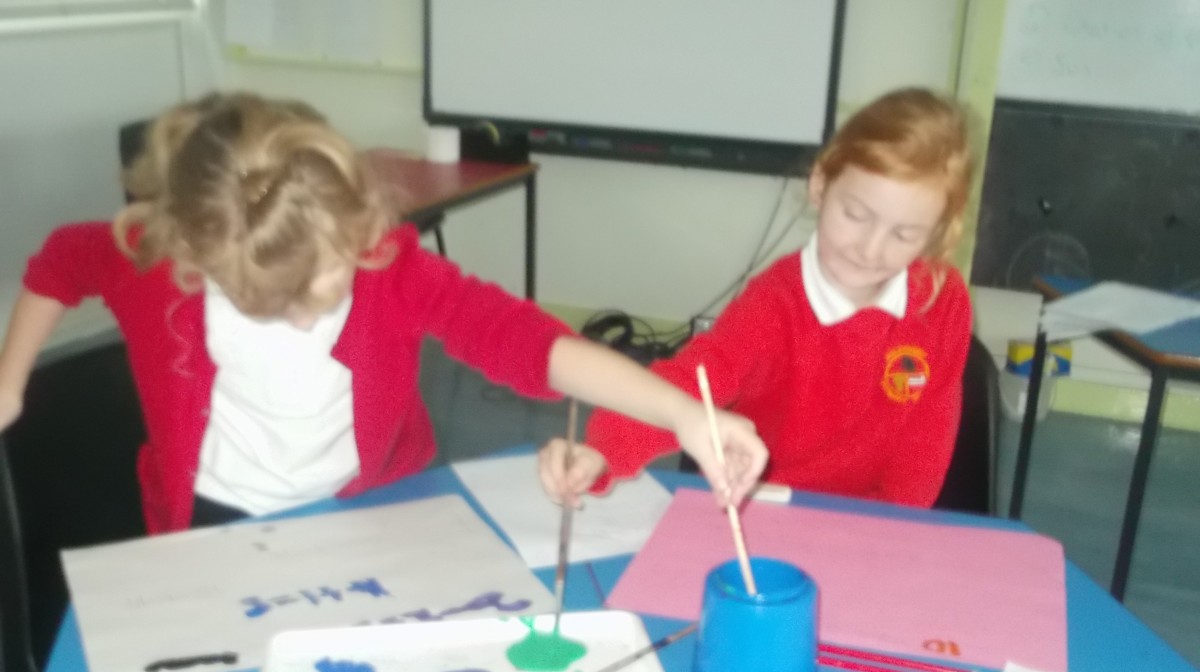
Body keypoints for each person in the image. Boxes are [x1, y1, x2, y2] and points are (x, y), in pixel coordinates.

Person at [0, 92, 766, 534]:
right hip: (213, 513)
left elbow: (527, 344)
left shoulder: (383, 262)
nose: (309, 321)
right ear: (198, 257)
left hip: (369, 504)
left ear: (359, 222)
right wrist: (10, 379)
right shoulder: (156, 258)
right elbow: (58, 265)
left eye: (326, 283)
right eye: (278, 305)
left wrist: (680, 414)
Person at [540, 87, 973, 509]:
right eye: (856, 215)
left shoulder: (943, 302)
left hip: (874, 522)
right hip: (769, 508)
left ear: (936, 232)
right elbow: (688, 385)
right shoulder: (773, 305)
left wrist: (892, 526)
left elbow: (926, 442)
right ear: (820, 185)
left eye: (904, 235)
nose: (870, 249)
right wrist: (603, 453)